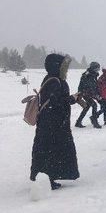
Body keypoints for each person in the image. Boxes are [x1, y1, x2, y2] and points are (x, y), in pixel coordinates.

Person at [31, 54, 80, 190]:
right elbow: (56, 101)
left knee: (50, 151)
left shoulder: (53, 79)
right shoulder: (54, 80)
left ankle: (49, 177)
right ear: (57, 66)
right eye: (64, 66)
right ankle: (47, 179)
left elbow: (55, 100)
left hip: (52, 123)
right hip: (53, 125)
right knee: (51, 151)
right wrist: (72, 99)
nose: (66, 69)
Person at [76, 61, 101, 128]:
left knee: (87, 107)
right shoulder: (88, 75)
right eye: (97, 69)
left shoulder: (92, 74)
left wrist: (97, 93)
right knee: (94, 105)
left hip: (87, 93)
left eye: (98, 69)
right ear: (93, 68)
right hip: (84, 93)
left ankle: (78, 122)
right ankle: (95, 123)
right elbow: (90, 86)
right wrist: (95, 95)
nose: (98, 70)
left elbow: (94, 86)